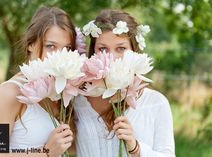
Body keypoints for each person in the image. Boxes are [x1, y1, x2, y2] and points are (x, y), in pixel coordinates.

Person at [74, 9, 175, 157]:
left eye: (121, 48)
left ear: (134, 51)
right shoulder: (76, 100)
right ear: (93, 52)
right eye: (103, 49)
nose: (112, 57)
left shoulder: (156, 103)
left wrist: (136, 148)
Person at [0, 6, 76, 157]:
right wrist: (45, 152)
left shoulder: (62, 91)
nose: (59, 56)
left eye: (67, 48)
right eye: (50, 46)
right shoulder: (9, 93)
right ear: (31, 44)